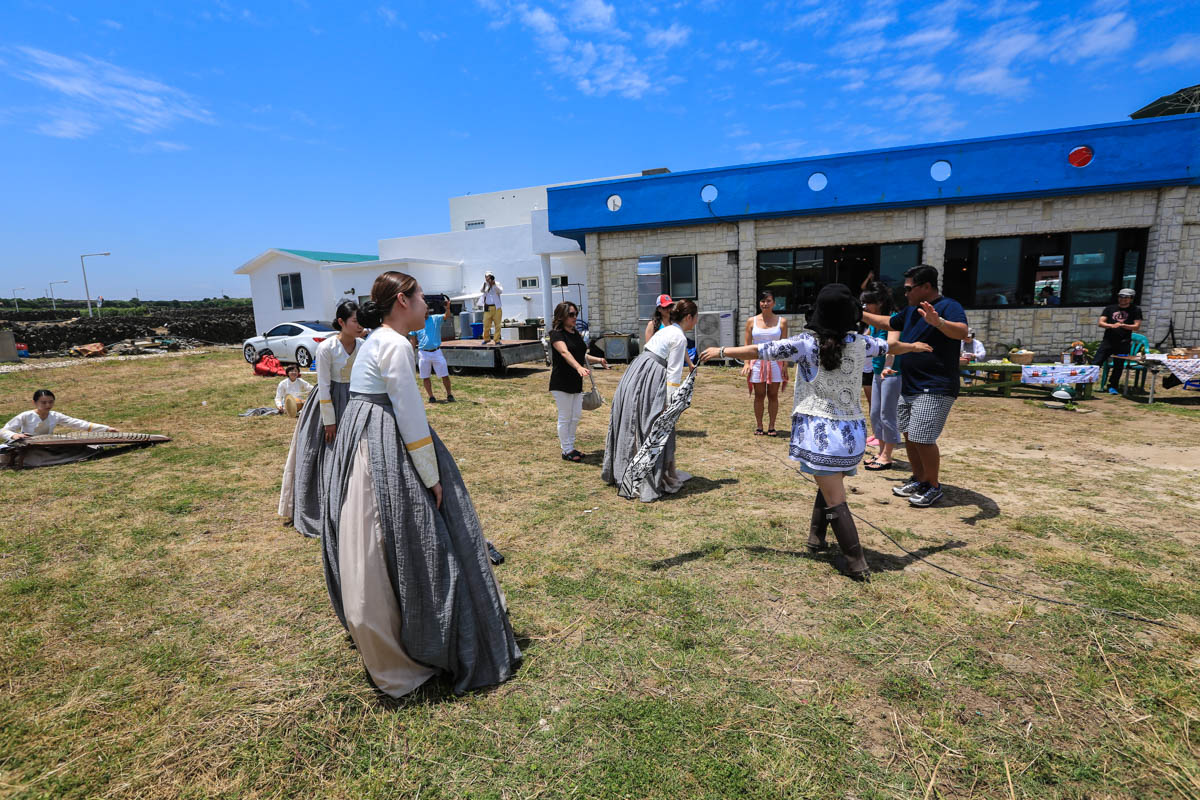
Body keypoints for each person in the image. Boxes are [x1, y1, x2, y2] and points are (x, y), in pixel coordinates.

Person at [321, 271, 520, 697]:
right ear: (400, 301)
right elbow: (410, 418)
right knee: (410, 533)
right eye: (420, 297)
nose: (427, 305)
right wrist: (431, 478)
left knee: (370, 537)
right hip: (383, 438)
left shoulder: (376, 339)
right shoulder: (393, 344)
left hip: (362, 432)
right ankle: (421, 635)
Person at [701, 284, 933, 581]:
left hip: (821, 435)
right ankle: (816, 538)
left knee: (836, 497)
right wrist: (913, 347)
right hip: (852, 436)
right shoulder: (860, 341)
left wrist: (721, 350)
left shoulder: (805, 343)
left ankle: (857, 562)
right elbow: (891, 347)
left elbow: (761, 351)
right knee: (830, 484)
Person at [862, 265, 968, 508]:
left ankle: (932, 485)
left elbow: (961, 332)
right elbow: (888, 322)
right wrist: (859, 314)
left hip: (935, 385)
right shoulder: (911, 310)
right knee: (910, 435)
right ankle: (919, 479)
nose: (905, 292)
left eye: (909, 288)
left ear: (926, 287)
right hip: (909, 384)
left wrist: (938, 322)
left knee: (923, 437)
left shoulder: (948, 306)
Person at [278, 300, 365, 537]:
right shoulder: (326, 348)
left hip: (355, 399)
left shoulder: (362, 345)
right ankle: (325, 506)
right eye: (355, 321)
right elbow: (324, 385)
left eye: (361, 321)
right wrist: (329, 420)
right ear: (341, 322)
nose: (360, 326)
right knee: (326, 453)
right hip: (330, 402)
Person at [602, 299, 698, 502]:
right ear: (689, 317)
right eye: (696, 317)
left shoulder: (667, 330)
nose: (696, 321)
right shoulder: (678, 337)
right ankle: (644, 476)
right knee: (652, 424)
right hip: (650, 377)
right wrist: (670, 406)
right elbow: (673, 375)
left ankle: (625, 469)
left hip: (636, 371)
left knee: (633, 420)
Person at [548, 301, 608, 462]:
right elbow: (564, 352)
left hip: (576, 381)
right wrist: (578, 368)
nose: (575, 317)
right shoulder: (556, 334)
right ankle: (566, 450)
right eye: (571, 314)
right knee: (565, 416)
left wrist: (598, 359)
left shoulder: (575, 333)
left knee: (575, 416)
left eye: (576, 314)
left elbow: (581, 355)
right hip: (561, 382)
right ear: (562, 316)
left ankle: (571, 447)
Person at [0, 389, 119, 468]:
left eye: (51, 402)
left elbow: (77, 423)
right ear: (34, 402)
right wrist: (14, 435)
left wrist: (106, 429)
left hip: (47, 443)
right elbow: (4, 430)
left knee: (76, 448)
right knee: (34, 459)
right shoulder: (26, 415)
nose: (48, 405)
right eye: (43, 402)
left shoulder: (55, 415)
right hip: (29, 445)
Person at [861, 283, 901, 470]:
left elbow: (892, 345)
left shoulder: (893, 318)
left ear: (880, 302)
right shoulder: (875, 322)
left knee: (887, 413)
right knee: (875, 413)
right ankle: (881, 451)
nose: (866, 308)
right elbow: (864, 339)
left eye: (868, 303)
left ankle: (887, 455)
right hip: (876, 371)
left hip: (891, 372)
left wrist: (887, 366)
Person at [741, 290, 789, 436]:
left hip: (775, 361)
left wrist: (785, 364)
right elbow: (747, 344)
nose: (765, 304)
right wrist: (746, 363)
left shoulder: (782, 321)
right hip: (757, 361)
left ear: (774, 303)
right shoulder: (751, 321)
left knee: (773, 395)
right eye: (762, 301)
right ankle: (759, 426)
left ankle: (772, 426)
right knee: (759, 395)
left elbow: (785, 345)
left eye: (768, 301)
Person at [1093, 288, 1143, 395]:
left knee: (1118, 366)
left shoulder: (1135, 310)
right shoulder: (1110, 308)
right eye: (1121, 297)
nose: (1122, 299)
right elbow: (1101, 323)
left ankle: (1113, 386)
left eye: (1126, 297)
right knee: (1097, 362)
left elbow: (1136, 326)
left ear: (1131, 298)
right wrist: (1111, 325)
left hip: (1123, 342)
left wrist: (1124, 326)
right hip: (1108, 341)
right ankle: (1087, 382)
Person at [409, 298, 455, 403]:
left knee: (445, 374)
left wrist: (448, 308)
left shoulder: (435, 318)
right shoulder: (415, 323)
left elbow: (446, 316)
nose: (424, 312)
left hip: (436, 351)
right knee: (425, 376)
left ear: (428, 310)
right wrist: (411, 353)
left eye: (426, 310)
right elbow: (412, 340)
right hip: (423, 353)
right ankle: (431, 397)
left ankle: (449, 394)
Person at [645, 293, 694, 368]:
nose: (668, 309)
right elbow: (649, 349)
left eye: (670, 306)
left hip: (671, 362)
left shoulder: (675, 324)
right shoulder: (652, 325)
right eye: (665, 307)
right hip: (657, 363)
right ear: (659, 309)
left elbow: (682, 345)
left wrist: (690, 363)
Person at [478, 271, 503, 345]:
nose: (488, 279)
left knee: (497, 325)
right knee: (486, 324)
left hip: (496, 308)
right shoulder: (485, 284)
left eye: (489, 277)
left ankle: (497, 339)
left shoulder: (497, 284)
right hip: (487, 308)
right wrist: (487, 283)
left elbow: (500, 291)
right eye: (487, 277)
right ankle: (486, 339)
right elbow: (481, 290)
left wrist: (494, 284)